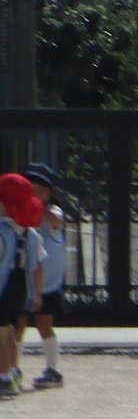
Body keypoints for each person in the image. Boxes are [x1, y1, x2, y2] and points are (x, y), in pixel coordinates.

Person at [19, 163, 70, 388]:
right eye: (30, 187)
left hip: (48, 283)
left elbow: (55, 220)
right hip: (24, 280)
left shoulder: (53, 211)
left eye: (40, 189)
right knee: (18, 326)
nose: (35, 192)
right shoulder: (17, 212)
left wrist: (35, 206)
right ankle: (11, 368)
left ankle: (53, 370)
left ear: (49, 193)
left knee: (44, 325)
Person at [0, 172, 42, 397]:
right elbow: (38, 265)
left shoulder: (2, 231)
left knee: (1, 336)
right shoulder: (31, 234)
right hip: (20, 287)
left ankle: (4, 377)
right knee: (10, 333)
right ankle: (13, 372)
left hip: (3, 287)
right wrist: (36, 294)